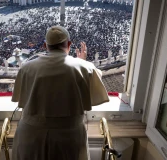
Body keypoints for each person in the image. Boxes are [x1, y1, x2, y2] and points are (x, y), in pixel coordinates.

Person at [11, 26, 109, 160]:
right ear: (69, 44)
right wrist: (81, 62)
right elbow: (94, 87)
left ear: (45, 45)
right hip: (68, 138)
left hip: (30, 136)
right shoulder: (85, 67)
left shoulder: (26, 68)